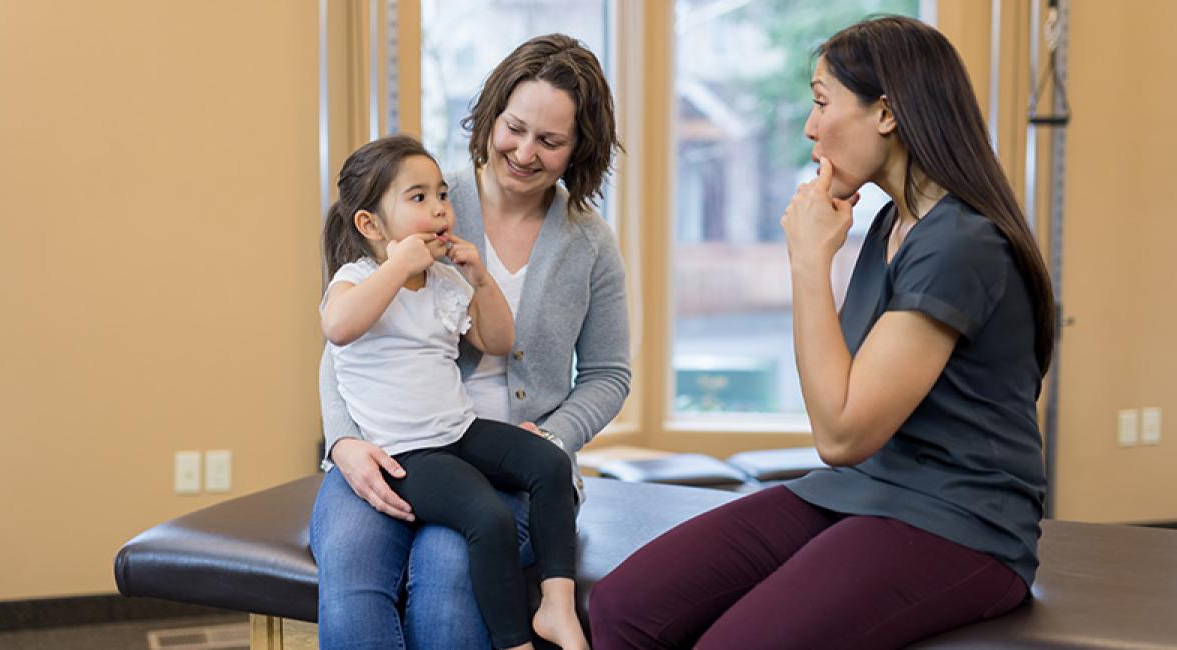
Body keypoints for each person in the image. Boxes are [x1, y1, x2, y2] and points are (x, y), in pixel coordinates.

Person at [588, 15, 1055, 650]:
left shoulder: (961, 242)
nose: (810, 127)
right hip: (865, 492)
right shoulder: (893, 222)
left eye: (820, 101)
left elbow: (841, 432)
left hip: (961, 520)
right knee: (624, 603)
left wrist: (809, 261)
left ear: (886, 113)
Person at [310, 34, 629, 649]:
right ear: (490, 118)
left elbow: (608, 375)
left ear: (577, 151)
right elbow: (346, 334)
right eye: (515, 127)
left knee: (447, 568)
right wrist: (344, 442)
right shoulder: (422, 202)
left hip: (504, 459)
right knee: (350, 563)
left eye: (551, 141)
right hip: (389, 442)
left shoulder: (590, 243)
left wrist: (554, 437)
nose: (525, 152)